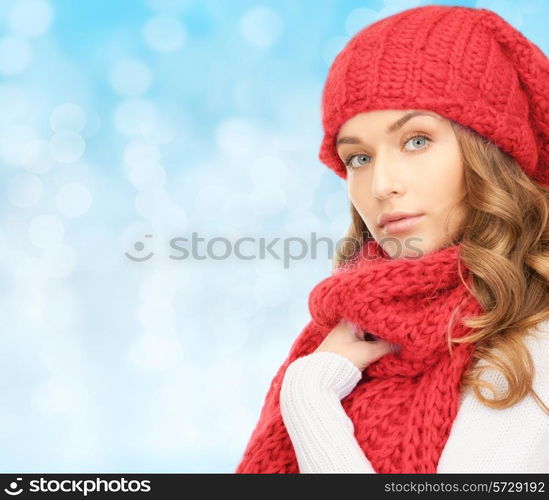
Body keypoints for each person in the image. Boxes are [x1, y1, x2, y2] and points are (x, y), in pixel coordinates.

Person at [235, 5, 549, 474]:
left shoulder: (531, 344)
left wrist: (309, 393)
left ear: (490, 148)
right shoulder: (358, 326)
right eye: (358, 158)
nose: (381, 184)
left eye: (417, 140)